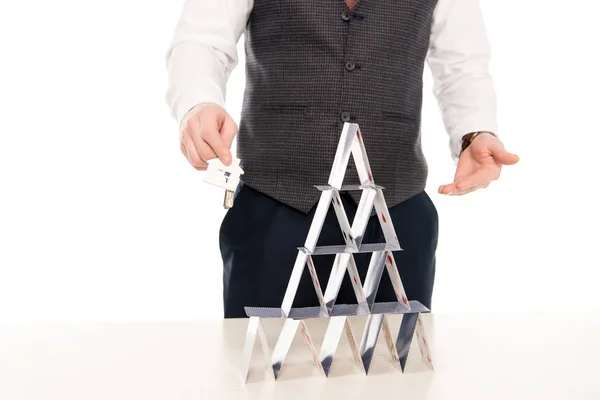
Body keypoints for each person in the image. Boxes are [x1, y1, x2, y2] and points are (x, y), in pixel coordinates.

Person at [165, 0, 519, 318]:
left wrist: (475, 131)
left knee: (394, 375)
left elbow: (462, 64)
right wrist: (198, 101)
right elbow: (201, 41)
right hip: (273, 211)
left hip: (397, 209)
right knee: (263, 376)